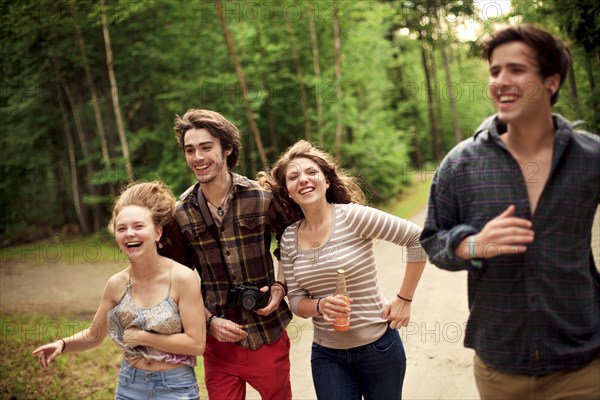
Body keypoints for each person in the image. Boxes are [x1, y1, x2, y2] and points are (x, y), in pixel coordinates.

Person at [420, 24, 600, 399]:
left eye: (516, 69)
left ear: (551, 83)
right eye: (494, 71)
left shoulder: (590, 157)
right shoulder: (461, 163)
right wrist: (472, 246)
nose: (501, 80)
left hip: (583, 365)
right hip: (500, 367)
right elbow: (433, 239)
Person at [261, 139, 427, 399]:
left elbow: (418, 239)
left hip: (379, 348)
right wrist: (320, 305)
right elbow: (296, 302)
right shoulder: (289, 238)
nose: (303, 179)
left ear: (326, 181)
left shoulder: (353, 216)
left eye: (311, 172)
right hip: (328, 357)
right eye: (293, 177)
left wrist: (404, 299)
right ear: (288, 192)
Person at [158, 109, 293, 400]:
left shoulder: (261, 196)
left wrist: (281, 287)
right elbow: (176, 280)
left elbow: (291, 245)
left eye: (206, 147)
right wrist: (208, 322)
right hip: (217, 345)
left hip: (267, 333)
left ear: (227, 149)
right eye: (190, 150)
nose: (198, 157)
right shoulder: (180, 213)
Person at [32, 181, 206, 399]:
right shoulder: (116, 284)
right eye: (121, 228)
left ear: (158, 232)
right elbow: (95, 335)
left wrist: (142, 337)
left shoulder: (182, 278)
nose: (129, 234)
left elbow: (196, 343)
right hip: (129, 384)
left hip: (175, 387)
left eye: (138, 226)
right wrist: (62, 344)